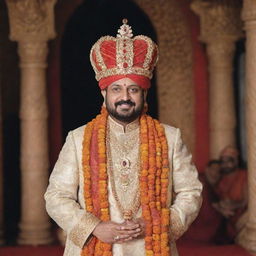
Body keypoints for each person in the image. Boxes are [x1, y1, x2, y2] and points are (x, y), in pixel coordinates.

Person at [44, 19, 202, 256]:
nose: (125, 96)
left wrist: (156, 225)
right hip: (92, 246)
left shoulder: (170, 138)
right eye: (116, 89)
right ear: (104, 92)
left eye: (133, 89)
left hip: (151, 246)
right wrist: (94, 227)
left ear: (144, 93)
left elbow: (191, 192)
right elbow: (56, 196)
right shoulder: (79, 138)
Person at [205, 146, 247, 243]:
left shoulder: (244, 176)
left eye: (229, 161)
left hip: (241, 218)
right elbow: (213, 199)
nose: (225, 165)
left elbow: (247, 202)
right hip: (223, 220)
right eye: (222, 162)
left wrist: (233, 205)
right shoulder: (219, 177)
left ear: (236, 161)